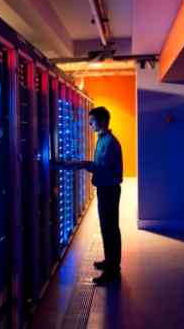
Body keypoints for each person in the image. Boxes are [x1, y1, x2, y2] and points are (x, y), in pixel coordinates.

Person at [53, 106, 123, 285]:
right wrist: (81, 163)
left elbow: (102, 168)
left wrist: (82, 164)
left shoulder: (108, 143)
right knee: (108, 228)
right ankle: (110, 262)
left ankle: (112, 271)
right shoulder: (103, 140)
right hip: (106, 188)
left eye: (92, 121)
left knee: (110, 229)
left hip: (109, 189)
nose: (90, 124)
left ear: (101, 121)